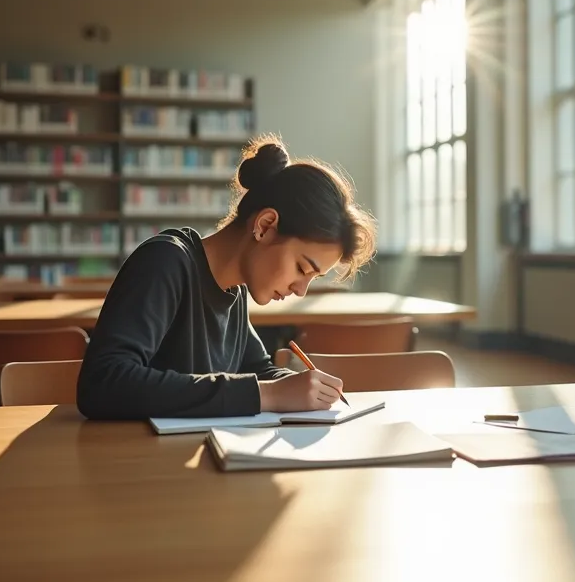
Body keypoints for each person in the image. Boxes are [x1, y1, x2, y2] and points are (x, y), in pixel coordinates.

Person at [76, 134, 377, 420]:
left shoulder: (234, 291)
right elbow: (104, 382)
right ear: (265, 226)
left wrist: (304, 389)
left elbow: (257, 370)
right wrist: (270, 395)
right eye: (302, 268)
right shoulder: (166, 261)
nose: (301, 290)